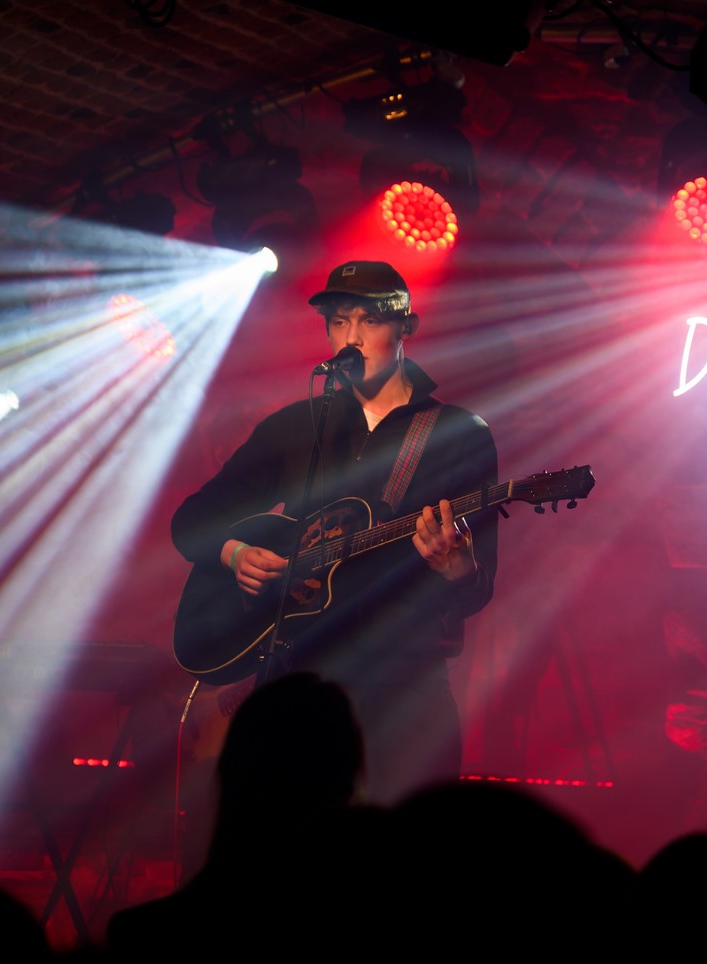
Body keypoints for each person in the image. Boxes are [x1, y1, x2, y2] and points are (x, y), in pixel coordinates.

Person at [171, 260, 498, 804]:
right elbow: (190, 522)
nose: (351, 338)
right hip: (297, 677)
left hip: (403, 680)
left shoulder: (458, 433)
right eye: (338, 322)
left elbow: (479, 588)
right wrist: (235, 554)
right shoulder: (294, 426)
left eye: (369, 321)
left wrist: (458, 568)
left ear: (406, 327)